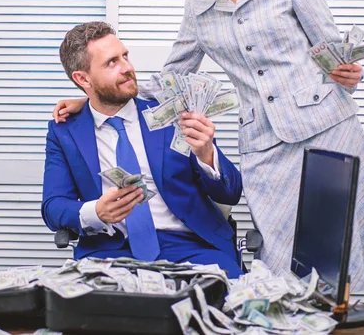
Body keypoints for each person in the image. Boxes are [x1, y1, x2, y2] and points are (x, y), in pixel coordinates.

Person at [51, 0, 364, 290]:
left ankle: (329, 324)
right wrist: (91, 101)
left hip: (328, 125)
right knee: (280, 259)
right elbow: (173, 77)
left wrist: (349, 72)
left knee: (334, 245)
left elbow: (331, 50)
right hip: (264, 143)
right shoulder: (198, 10)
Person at [42, 21, 244, 278]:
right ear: (83, 79)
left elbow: (231, 193)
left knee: (226, 302)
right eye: (111, 63)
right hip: (109, 252)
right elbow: (53, 207)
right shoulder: (64, 132)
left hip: (191, 247)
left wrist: (206, 154)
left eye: (125, 56)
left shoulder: (172, 114)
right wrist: (96, 212)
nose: (127, 68)